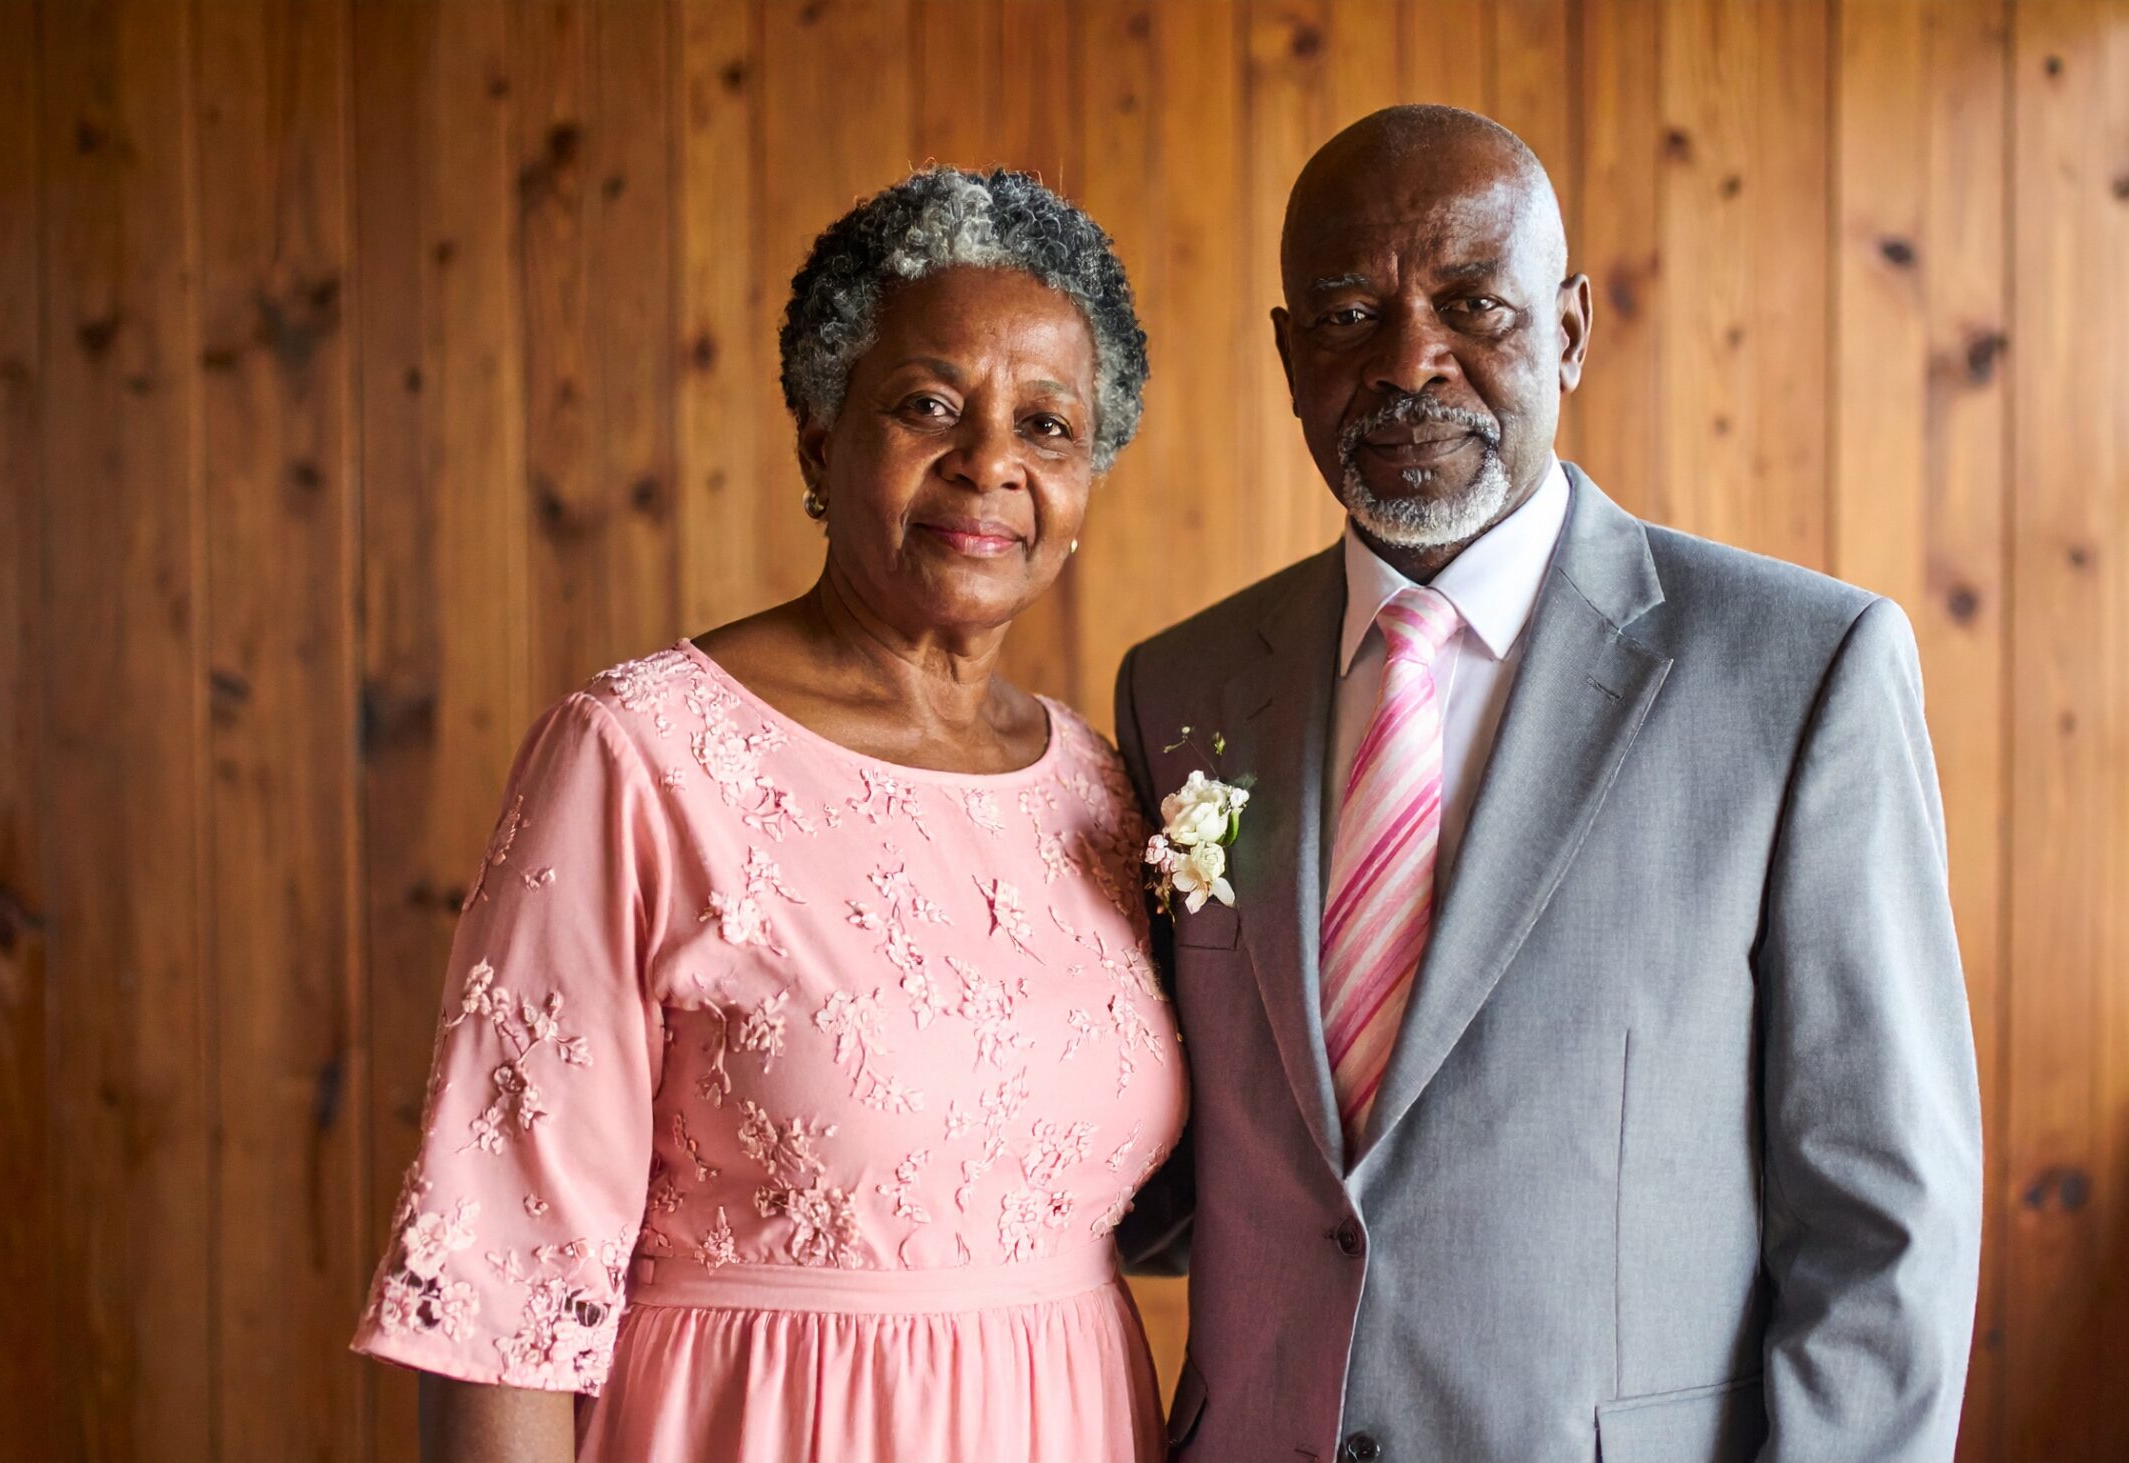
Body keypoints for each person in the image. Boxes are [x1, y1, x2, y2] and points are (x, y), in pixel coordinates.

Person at [1111, 105, 1983, 1463]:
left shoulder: (1802, 672)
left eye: (1473, 304)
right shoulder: (1183, 689)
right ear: (1289, 359)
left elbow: (1888, 1218)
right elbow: (1158, 1146)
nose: (1411, 364)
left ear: (1569, 329)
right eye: (1348, 314)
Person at [353, 167, 1185, 1463]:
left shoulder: (1100, 784)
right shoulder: (640, 756)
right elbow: (499, 1286)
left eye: (1047, 427)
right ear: (819, 438)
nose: (990, 465)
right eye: (928, 407)